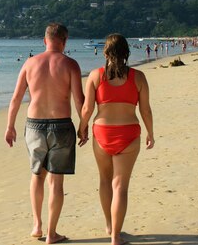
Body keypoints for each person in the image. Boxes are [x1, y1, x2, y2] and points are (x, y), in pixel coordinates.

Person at [5, 23, 84, 244]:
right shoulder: (70, 64)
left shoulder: (30, 63)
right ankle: (52, 233)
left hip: (34, 126)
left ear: (44, 40)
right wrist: (84, 126)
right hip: (61, 126)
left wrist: (10, 126)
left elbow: (16, 98)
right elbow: (80, 101)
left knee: (37, 176)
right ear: (65, 41)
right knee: (56, 183)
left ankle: (37, 225)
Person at [77, 34, 155, 245]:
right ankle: (115, 237)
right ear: (127, 53)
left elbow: (87, 109)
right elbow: (145, 110)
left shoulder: (95, 76)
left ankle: (109, 225)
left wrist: (81, 128)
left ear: (105, 53)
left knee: (104, 179)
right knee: (120, 186)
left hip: (102, 133)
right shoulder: (138, 77)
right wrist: (151, 133)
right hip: (129, 134)